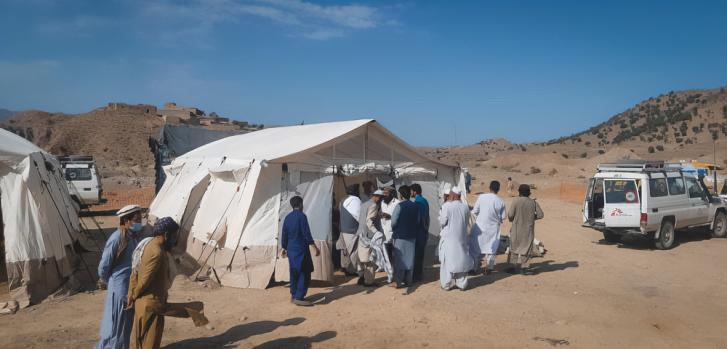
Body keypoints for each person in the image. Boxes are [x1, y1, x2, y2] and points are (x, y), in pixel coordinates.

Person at [127, 217, 181, 349]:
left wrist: (131, 293)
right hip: (150, 305)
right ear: (166, 235)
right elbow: (145, 280)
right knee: (150, 344)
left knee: (141, 343)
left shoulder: (146, 244)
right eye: (174, 236)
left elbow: (134, 271)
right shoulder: (157, 252)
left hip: (144, 304)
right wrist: (132, 296)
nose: (175, 240)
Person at [96, 204, 143, 349]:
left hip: (129, 288)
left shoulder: (133, 237)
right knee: (116, 326)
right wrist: (107, 280)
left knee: (125, 327)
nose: (139, 222)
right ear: (127, 220)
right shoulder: (117, 238)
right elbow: (104, 266)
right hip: (119, 289)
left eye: (140, 218)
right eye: (136, 219)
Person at [281, 196, 321, 306]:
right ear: (301, 204)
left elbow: (284, 234)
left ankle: (294, 295)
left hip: (291, 250)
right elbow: (306, 234)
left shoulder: (288, 217)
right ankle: (299, 297)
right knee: (304, 272)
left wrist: (284, 247)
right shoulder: (302, 217)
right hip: (301, 250)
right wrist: (315, 247)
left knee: (294, 272)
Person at [438, 187, 473, 290]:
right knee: (461, 260)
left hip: (449, 238)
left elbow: (442, 222)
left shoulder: (447, 206)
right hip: (461, 237)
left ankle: (446, 284)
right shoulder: (465, 207)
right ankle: (462, 283)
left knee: (446, 261)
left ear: (453, 195)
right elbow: (466, 222)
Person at [470, 181, 506, 274]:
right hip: (493, 229)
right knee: (491, 249)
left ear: (489, 188)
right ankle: (489, 268)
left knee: (476, 248)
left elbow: (475, 211)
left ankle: (473, 269)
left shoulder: (482, 197)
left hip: (480, 227)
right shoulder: (500, 201)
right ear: (498, 189)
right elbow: (503, 217)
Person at [506, 184, 544, 274]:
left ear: (519, 192)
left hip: (516, 228)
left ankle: (512, 267)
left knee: (514, 247)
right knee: (526, 248)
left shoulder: (515, 201)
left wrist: (513, 219)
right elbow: (540, 215)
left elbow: (510, 215)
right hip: (528, 230)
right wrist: (532, 217)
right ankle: (525, 268)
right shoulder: (533, 203)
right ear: (529, 193)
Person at [391, 185, 421, 288]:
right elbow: (418, 221)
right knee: (410, 259)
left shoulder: (399, 206)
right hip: (412, 236)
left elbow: (393, 222)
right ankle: (409, 281)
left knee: (400, 260)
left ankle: (399, 282)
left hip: (400, 236)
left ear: (401, 195)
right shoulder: (416, 206)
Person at [356, 190, 385, 286]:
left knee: (361, 258)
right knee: (370, 259)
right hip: (369, 236)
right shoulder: (373, 205)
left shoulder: (364, 204)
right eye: (381, 198)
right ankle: (369, 281)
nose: (381, 200)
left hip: (361, 233)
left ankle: (361, 277)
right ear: (377, 197)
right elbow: (369, 222)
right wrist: (376, 233)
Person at [337, 184, 361, 275]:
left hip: (343, 229)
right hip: (352, 230)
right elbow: (359, 216)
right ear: (356, 191)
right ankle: (352, 269)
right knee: (353, 251)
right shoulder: (355, 200)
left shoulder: (342, 200)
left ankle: (345, 267)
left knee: (345, 250)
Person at [410, 183, 430, 282]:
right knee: (420, 254)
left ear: (414, 191)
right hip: (424, 231)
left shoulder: (417, 202)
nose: (410, 193)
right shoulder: (425, 200)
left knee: (416, 254)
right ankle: (419, 274)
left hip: (419, 231)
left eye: (411, 191)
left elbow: (420, 219)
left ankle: (416, 276)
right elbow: (427, 217)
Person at [379, 186, 399, 262]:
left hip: (393, 231)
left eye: (386, 193)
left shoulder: (397, 203)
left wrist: (390, 216)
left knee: (393, 252)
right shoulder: (382, 202)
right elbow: (381, 212)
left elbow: (399, 216)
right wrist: (380, 214)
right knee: (386, 251)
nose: (384, 195)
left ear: (392, 194)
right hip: (384, 230)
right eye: (383, 193)